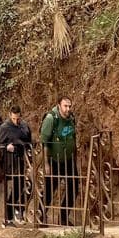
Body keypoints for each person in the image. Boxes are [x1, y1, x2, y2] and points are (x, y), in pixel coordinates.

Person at [40, 96, 78, 226]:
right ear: (59, 105)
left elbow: (73, 137)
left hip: (68, 159)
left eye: (69, 106)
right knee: (50, 189)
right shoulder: (51, 119)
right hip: (54, 160)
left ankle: (63, 217)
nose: (68, 109)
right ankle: (40, 215)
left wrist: (74, 156)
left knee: (74, 187)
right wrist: (46, 163)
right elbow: (44, 142)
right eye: (65, 106)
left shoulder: (71, 118)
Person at [0, 105, 32, 225]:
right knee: (16, 185)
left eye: (18, 118)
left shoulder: (24, 125)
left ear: (20, 115)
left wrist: (29, 150)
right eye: (14, 118)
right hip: (10, 161)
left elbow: (29, 140)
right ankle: (8, 217)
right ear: (10, 115)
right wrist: (6, 146)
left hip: (23, 160)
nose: (16, 121)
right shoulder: (4, 127)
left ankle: (18, 209)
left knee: (27, 185)